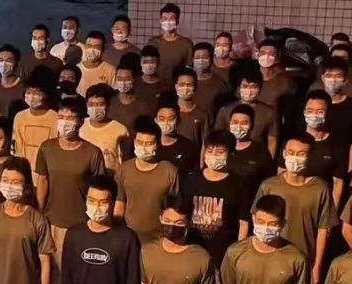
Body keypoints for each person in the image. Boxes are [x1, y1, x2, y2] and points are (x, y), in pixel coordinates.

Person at [35, 97, 107, 284]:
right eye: (61, 117)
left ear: (80, 121)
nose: (64, 122)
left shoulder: (92, 153)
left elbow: (99, 188)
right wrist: (38, 215)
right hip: (52, 222)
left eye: (70, 118)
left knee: (77, 273)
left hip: (80, 224)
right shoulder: (46, 148)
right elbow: (43, 182)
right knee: (53, 273)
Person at [253, 134, 334, 284]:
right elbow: (256, 220)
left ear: (310, 157)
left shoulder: (320, 188)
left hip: (304, 259)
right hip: (272, 259)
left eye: (301, 154)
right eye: (291, 152)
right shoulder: (269, 186)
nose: (295, 158)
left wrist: (317, 266)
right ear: (284, 154)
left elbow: (323, 229)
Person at [183, 129, 249, 267]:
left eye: (220, 152)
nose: (214, 156)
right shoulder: (192, 179)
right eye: (210, 151)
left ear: (230, 153)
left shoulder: (240, 184)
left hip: (224, 254)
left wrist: (237, 253)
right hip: (193, 250)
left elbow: (243, 223)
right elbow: (182, 214)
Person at [115, 116, 180, 244]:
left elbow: (175, 208)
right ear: (134, 142)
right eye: (140, 142)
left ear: (158, 144)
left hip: (160, 239)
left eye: (149, 144)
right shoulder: (124, 169)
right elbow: (119, 205)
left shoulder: (170, 171)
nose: (144, 147)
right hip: (129, 238)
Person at [297, 90, 348, 207]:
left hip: (321, 203)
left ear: (328, 113)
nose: (314, 116)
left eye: (320, 112)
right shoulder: (293, 141)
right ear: (304, 112)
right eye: (310, 111)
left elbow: (338, 182)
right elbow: (281, 174)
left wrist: (332, 212)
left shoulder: (337, 145)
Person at [214, 69, 278, 157]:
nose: (249, 90)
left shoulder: (269, 113)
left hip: (256, 158)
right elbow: (217, 138)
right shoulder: (225, 110)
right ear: (239, 87)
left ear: (260, 88)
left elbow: (272, 141)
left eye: (253, 87)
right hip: (230, 156)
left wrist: (269, 161)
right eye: (245, 86)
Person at [224, 104, 276, 210]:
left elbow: (268, 183)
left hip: (248, 207)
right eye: (235, 122)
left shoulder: (260, 153)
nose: (238, 127)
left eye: (244, 123)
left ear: (252, 126)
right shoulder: (221, 149)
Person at [317, 57, 352, 175]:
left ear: (345, 80)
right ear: (322, 78)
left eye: (338, 76)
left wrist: (350, 170)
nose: (333, 80)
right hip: (317, 162)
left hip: (342, 164)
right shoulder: (313, 103)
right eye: (329, 76)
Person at [80, 84, 129, 174]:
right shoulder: (79, 126)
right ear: (86, 105)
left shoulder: (120, 129)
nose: (95, 108)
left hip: (111, 178)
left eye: (100, 104)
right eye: (91, 104)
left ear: (108, 105)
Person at [13, 83, 58, 168]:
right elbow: (17, 146)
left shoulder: (56, 118)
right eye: (29, 92)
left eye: (37, 93)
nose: (32, 97)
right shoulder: (20, 117)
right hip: (24, 168)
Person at [256, 38, 296, 132]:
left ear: (277, 58)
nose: (266, 56)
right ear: (257, 56)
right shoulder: (250, 77)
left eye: (271, 54)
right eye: (262, 53)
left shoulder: (285, 81)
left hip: (273, 128)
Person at [147, 3, 193, 83]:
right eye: (165, 18)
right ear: (160, 21)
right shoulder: (152, 43)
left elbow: (189, 69)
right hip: (155, 85)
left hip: (177, 86)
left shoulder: (186, 44)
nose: (168, 22)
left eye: (171, 19)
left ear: (177, 21)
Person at [154, 100, 199, 174]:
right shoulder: (151, 144)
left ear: (178, 120)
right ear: (155, 120)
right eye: (162, 119)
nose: (166, 123)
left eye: (170, 119)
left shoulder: (187, 146)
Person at [108, 61, 151, 133]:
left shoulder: (143, 106)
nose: (123, 82)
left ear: (134, 79)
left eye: (127, 79)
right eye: (120, 79)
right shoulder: (109, 102)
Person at [171, 67, 209, 146]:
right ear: (175, 86)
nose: (185, 88)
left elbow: (205, 143)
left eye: (189, 85)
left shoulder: (202, 115)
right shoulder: (169, 112)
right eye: (182, 84)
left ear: (195, 87)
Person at [191, 41, 229, 117]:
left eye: (205, 57)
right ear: (192, 60)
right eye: (197, 57)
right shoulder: (186, 81)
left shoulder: (219, 84)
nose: (201, 60)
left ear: (211, 60)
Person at [0, 44, 26, 118]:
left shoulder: (24, 87)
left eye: (8, 60)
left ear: (17, 64)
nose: (4, 64)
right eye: (1, 60)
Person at [76, 32, 116, 97]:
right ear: (85, 47)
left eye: (96, 47)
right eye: (89, 46)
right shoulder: (76, 69)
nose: (92, 50)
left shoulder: (111, 70)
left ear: (103, 49)